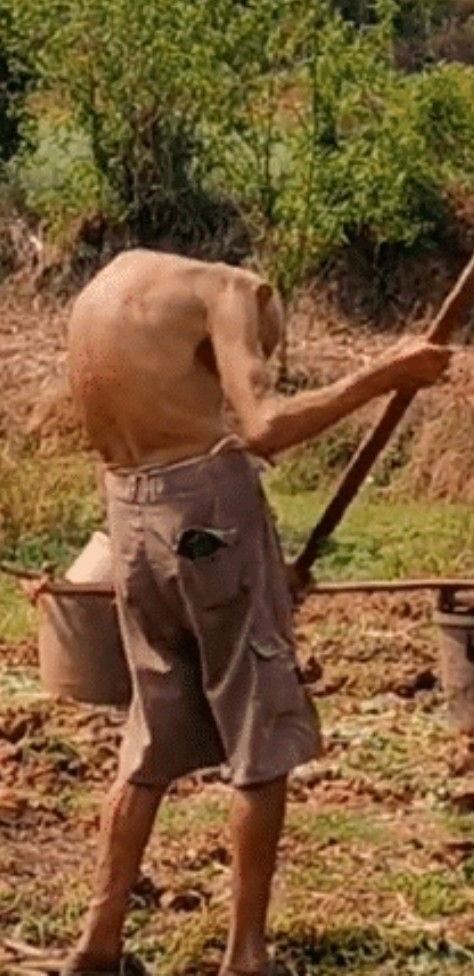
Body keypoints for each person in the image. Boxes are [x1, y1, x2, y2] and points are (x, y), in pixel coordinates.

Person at [54, 249, 451, 976]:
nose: (261, 355)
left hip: (131, 517)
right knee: (259, 726)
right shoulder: (234, 289)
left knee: (148, 734)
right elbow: (262, 424)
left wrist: (267, 566)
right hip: (208, 508)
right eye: (266, 347)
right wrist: (386, 374)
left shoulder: (109, 285)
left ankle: (99, 940)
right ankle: (247, 954)